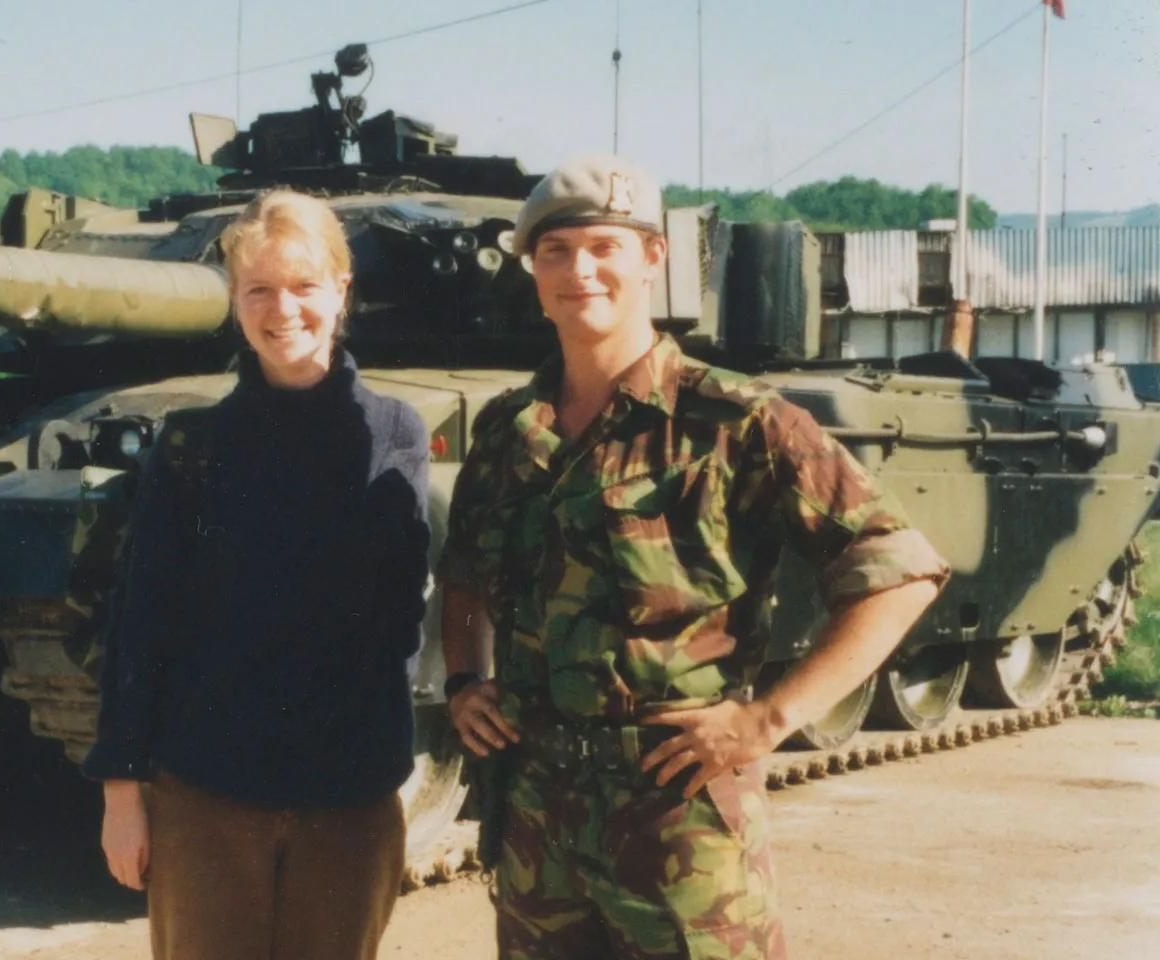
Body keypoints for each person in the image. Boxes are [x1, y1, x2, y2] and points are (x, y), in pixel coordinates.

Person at [436, 156, 951, 959]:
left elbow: (899, 570)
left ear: (653, 258)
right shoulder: (509, 431)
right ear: (533, 272)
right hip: (538, 812)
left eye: (606, 246)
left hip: (678, 811)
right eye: (556, 251)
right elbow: (464, 570)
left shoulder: (735, 421)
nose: (581, 270)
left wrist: (768, 720)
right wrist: (466, 679)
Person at [82, 190, 433, 960]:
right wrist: (122, 792)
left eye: (305, 285)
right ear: (235, 303)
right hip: (210, 796)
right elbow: (139, 619)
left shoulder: (397, 432)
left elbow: (403, 616)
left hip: (347, 801)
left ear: (342, 289)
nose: (284, 310)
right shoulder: (192, 444)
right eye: (259, 290)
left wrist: (381, 759)